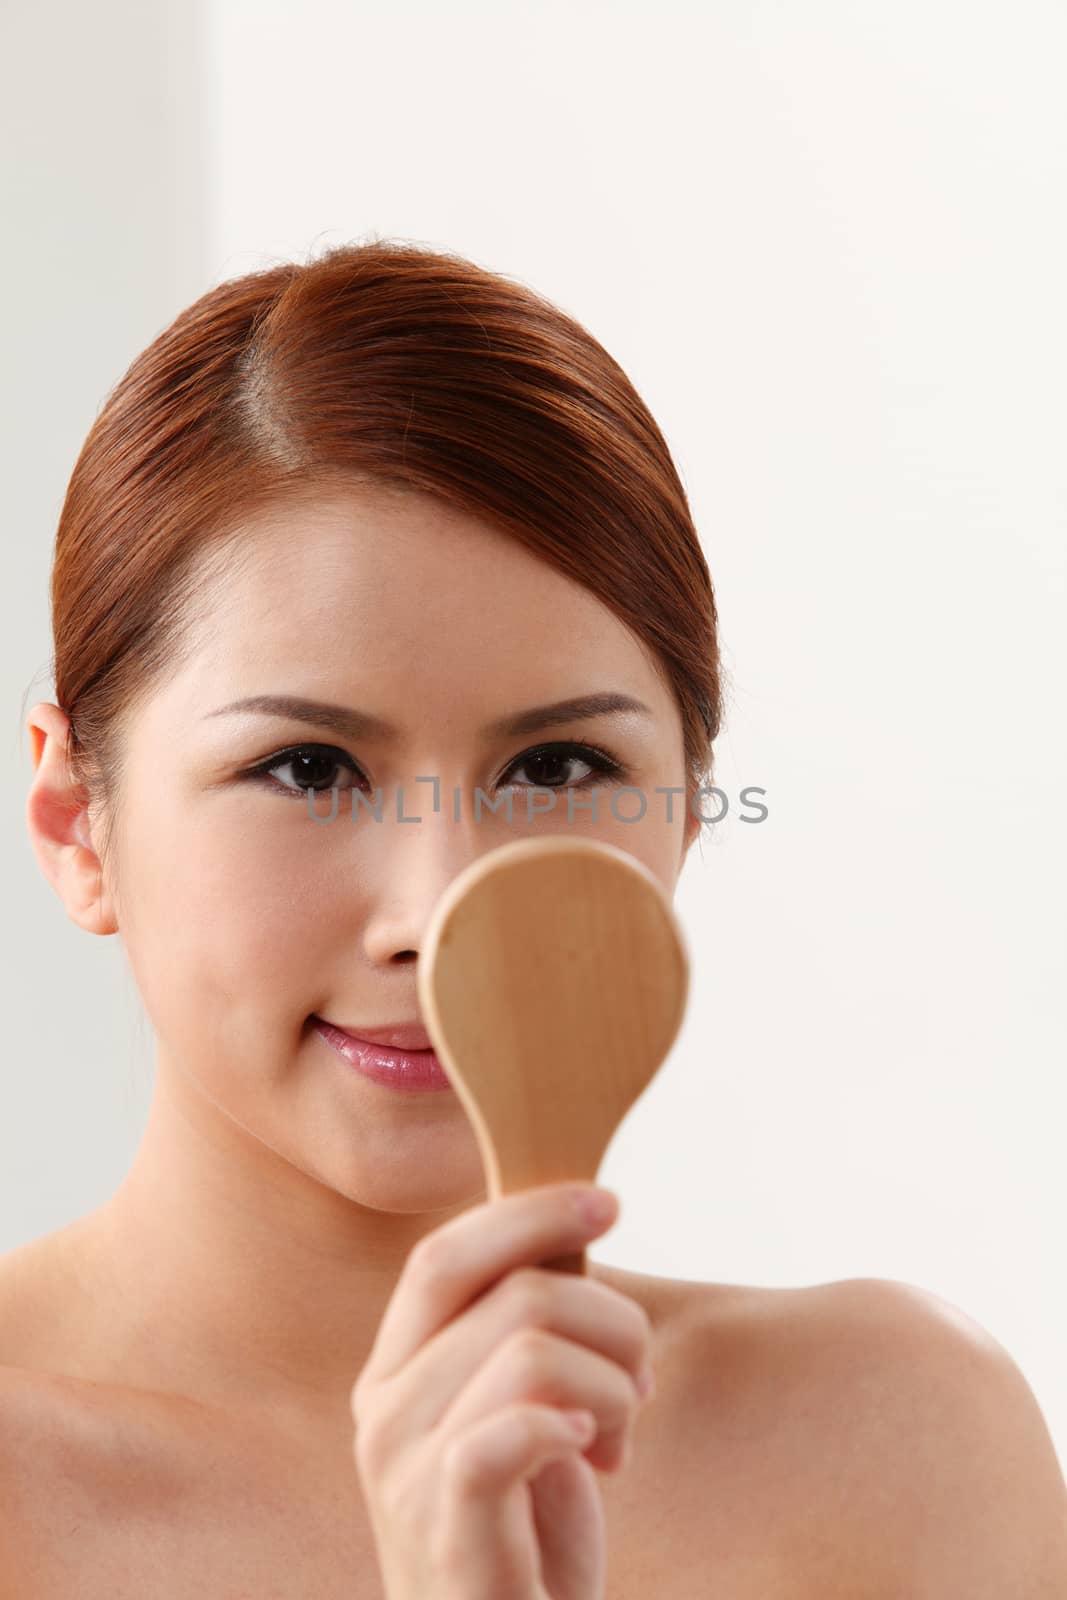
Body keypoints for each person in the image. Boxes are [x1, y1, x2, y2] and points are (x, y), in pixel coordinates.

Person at [6, 238, 1065, 1597]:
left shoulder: (899, 1448)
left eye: (560, 769)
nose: (442, 911)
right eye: (309, 769)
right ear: (73, 820)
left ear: (684, 812)